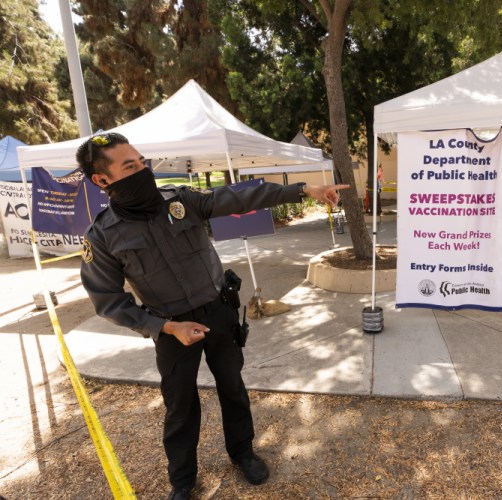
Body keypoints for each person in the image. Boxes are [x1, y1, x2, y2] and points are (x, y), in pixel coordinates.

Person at [76, 132, 347, 499]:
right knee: (180, 407)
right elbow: (108, 300)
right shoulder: (103, 237)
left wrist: (302, 189)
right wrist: (166, 327)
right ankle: (183, 481)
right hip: (171, 329)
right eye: (130, 166)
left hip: (218, 314)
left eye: (141, 161)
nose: (143, 169)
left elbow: (238, 196)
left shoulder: (181, 201)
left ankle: (243, 453)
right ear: (102, 180)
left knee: (232, 388)